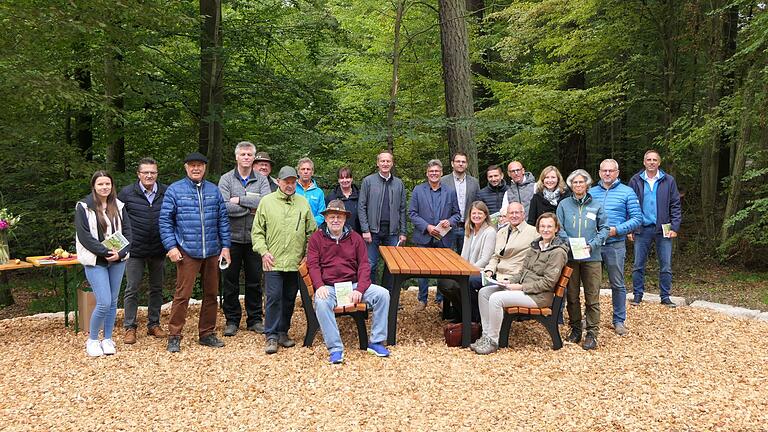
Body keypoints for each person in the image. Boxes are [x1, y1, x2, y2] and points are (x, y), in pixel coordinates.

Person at [159, 152, 231, 353]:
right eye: (192, 165)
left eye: (200, 165)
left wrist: (225, 247)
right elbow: (165, 221)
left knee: (211, 294)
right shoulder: (175, 190)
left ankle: (207, 333)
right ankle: (174, 335)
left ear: (205, 168)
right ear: (186, 167)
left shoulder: (213, 190)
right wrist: (171, 247)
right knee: (183, 294)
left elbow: (222, 221)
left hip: (212, 251)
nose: (196, 168)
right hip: (187, 250)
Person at [306, 200, 391, 364]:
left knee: (383, 294)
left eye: (339, 217)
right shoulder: (317, 238)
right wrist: (319, 285)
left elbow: (365, 265)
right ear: (326, 219)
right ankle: (335, 349)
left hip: (352, 285)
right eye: (332, 217)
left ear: (345, 219)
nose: (335, 220)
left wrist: (359, 289)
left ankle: (376, 341)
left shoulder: (355, 238)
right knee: (321, 302)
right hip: (329, 287)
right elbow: (313, 265)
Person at [472, 212, 569, 355]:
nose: (546, 229)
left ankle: (493, 340)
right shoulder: (536, 246)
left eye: (549, 226)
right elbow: (523, 271)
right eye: (542, 226)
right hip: (525, 290)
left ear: (556, 229)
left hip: (539, 296)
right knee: (484, 292)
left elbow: (548, 283)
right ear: (538, 228)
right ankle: (486, 336)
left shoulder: (558, 252)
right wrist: (509, 280)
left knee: (496, 299)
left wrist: (520, 287)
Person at [252, 166, 317, 354]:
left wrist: (307, 254)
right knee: (273, 298)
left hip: (294, 262)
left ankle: (282, 332)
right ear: (278, 182)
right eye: (286, 182)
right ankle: (271, 336)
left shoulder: (303, 203)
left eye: (292, 182)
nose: (289, 185)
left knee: (289, 299)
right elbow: (257, 232)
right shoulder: (267, 202)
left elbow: (312, 232)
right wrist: (264, 252)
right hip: (273, 261)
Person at [75, 170, 132, 357]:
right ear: (94, 186)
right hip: (95, 260)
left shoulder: (119, 205)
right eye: (100, 184)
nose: (104, 187)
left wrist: (120, 253)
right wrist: (105, 252)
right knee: (104, 302)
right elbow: (84, 236)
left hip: (117, 260)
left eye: (107, 183)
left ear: (112, 185)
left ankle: (107, 338)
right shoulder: (83, 207)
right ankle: (92, 340)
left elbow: (129, 234)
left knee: (113, 301)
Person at [218, 142, 272, 336]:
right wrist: (250, 208)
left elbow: (265, 203)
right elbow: (223, 206)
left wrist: (239, 200)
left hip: (255, 238)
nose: (246, 157)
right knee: (230, 280)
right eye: (243, 154)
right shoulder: (225, 179)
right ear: (237, 157)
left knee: (254, 280)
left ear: (253, 158)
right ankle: (232, 320)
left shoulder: (262, 180)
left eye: (250, 154)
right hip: (230, 239)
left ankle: (255, 319)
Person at [556, 169, 609, 350]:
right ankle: (576, 328)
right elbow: (559, 227)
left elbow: (604, 229)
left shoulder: (597, 205)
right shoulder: (563, 205)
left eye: (581, 182)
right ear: (571, 185)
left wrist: (593, 245)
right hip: (570, 256)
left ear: (587, 184)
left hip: (592, 257)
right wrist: (568, 243)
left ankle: (592, 333)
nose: (578, 185)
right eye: (575, 183)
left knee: (592, 296)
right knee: (571, 295)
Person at [589, 159, 642, 335]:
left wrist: (617, 230)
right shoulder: (591, 192)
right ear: (599, 173)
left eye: (611, 171)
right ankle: (589, 319)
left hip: (615, 244)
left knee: (617, 284)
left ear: (617, 173)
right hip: (593, 246)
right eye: (604, 171)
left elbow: (637, 218)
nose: (607, 174)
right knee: (590, 284)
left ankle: (619, 320)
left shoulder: (627, 192)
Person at [118, 158, 167, 345]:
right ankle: (130, 327)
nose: (149, 175)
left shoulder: (165, 191)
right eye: (145, 172)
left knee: (157, 288)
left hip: (158, 248)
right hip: (135, 250)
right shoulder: (127, 193)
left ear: (157, 174)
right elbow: (116, 219)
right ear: (138, 174)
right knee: (132, 289)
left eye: (152, 172)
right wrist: (122, 245)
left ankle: (154, 324)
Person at [628, 150, 682, 308]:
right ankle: (637, 295)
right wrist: (630, 228)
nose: (651, 162)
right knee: (638, 264)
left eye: (654, 160)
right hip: (641, 228)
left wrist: (675, 226)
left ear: (659, 163)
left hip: (663, 228)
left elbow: (675, 205)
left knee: (666, 265)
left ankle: (665, 296)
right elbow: (628, 206)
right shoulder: (636, 180)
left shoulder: (668, 180)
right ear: (644, 162)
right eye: (648, 160)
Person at [469, 202, 538, 321]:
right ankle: (476, 320)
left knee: (473, 283)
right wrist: (489, 270)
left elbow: (537, 258)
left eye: (517, 212)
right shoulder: (502, 232)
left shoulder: (533, 232)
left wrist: (521, 278)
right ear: (507, 215)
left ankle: (478, 321)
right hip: (496, 275)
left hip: (513, 277)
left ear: (523, 215)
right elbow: (496, 256)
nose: (514, 215)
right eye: (511, 213)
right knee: (469, 280)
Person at [409, 159, 461, 309]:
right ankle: (422, 299)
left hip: (443, 237)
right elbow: (412, 213)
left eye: (437, 171)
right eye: (431, 171)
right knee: (422, 269)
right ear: (427, 173)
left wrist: (449, 221)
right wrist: (427, 227)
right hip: (424, 236)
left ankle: (441, 299)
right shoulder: (418, 190)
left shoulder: (450, 192)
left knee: (442, 269)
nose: (434, 174)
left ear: (441, 173)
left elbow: (457, 214)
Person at [436, 201, 496, 321]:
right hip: (466, 269)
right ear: (470, 215)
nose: (476, 216)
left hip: (480, 271)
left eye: (480, 213)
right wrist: (460, 269)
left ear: (485, 215)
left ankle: (472, 316)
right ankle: (462, 313)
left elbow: (485, 259)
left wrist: (467, 271)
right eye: (474, 213)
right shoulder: (470, 230)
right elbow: (463, 255)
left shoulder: (490, 232)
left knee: (455, 285)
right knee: (444, 282)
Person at [358, 150, 408, 285]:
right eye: (382, 161)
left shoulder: (399, 183)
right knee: (371, 264)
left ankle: (389, 297)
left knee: (392, 266)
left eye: (388, 161)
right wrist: (365, 229)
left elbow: (403, 209)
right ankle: (371, 296)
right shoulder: (368, 181)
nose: (385, 163)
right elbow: (361, 207)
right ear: (377, 163)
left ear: (392, 163)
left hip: (392, 232)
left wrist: (403, 232)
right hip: (372, 231)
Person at [440, 152, 480, 254]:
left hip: (467, 227)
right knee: (448, 257)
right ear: (452, 164)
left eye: (463, 162)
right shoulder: (443, 181)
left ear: (466, 164)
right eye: (458, 161)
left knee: (466, 258)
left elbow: (477, 203)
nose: (461, 164)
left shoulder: (474, 182)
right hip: (448, 227)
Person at [325, 167, 361, 233]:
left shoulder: (360, 196)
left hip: (358, 233)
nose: (345, 180)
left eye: (347, 177)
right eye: (342, 178)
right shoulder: (331, 197)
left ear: (351, 179)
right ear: (338, 180)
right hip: (338, 234)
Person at [296, 157, 326, 226]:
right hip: (294, 230)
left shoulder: (319, 192)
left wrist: (309, 223)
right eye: (303, 169)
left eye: (308, 169)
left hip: (313, 230)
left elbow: (322, 215)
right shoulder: (292, 189)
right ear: (298, 172)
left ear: (312, 172)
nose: (305, 172)